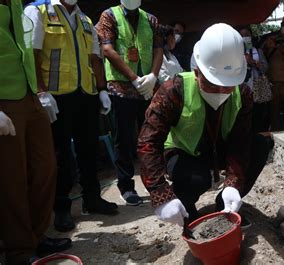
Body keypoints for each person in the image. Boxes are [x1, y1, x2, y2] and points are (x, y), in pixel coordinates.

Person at [137, 23, 274, 226]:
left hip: (218, 148)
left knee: (260, 145)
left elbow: (240, 141)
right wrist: (160, 194)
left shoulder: (243, 94)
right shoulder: (173, 91)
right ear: (196, 71)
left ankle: (224, 204)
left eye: (227, 85)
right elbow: (148, 142)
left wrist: (233, 183)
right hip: (185, 153)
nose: (220, 91)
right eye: (212, 83)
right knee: (196, 178)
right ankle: (185, 206)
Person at [25, 0, 118, 233]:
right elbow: (32, 53)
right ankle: (62, 208)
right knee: (61, 154)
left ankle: (92, 198)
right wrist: (41, 91)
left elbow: (95, 58)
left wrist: (102, 89)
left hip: (85, 94)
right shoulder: (38, 11)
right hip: (56, 97)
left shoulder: (85, 20)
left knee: (89, 150)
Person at [1, 0, 71, 263]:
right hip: (3, 98)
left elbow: (28, 49)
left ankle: (37, 236)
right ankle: (19, 250)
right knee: (12, 178)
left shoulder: (19, 3)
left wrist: (40, 90)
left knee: (45, 167)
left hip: (29, 92)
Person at [96, 0, 164, 206]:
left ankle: (155, 182)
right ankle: (126, 186)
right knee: (124, 138)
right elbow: (107, 49)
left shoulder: (150, 19)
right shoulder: (109, 16)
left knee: (151, 135)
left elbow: (158, 49)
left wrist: (152, 76)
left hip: (146, 86)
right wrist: (133, 77)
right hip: (121, 86)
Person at [239, 26, 271, 133]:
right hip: (243, 88)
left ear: (251, 36)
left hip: (257, 88)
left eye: (247, 35)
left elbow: (266, 67)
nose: (245, 37)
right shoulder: (236, 52)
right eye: (242, 35)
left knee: (258, 113)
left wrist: (257, 64)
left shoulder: (257, 51)